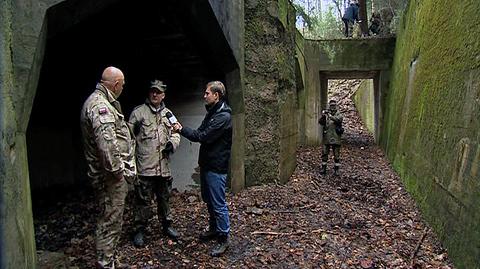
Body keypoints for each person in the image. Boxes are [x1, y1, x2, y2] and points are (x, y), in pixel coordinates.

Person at [80, 66, 136, 269]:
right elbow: (107, 145)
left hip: (110, 177)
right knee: (110, 221)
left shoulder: (103, 102)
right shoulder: (100, 106)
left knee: (113, 219)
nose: (123, 88)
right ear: (116, 84)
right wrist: (119, 173)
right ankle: (105, 263)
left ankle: (109, 258)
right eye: (122, 85)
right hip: (109, 178)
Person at [172, 81, 232, 257]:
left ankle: (223, 237)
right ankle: (214, 229)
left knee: (218, 203)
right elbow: (201, 132)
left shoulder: (223, 117)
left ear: (216, 95)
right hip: (207, 165)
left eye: (207, 93)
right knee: (209, 200)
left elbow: (202, 136)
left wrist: (181, 129)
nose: (204, 96)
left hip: (216, 167)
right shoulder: (213, 112)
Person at [128, 80, 181, 247]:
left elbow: (176, 132)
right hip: (145, 166)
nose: (155, 94)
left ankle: (167, 225)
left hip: (163, 167)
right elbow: (128, 137)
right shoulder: (138, 113)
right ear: (149, 93)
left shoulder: (168, 114)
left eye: (158, 92)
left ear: (163, 95)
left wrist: (173, 143)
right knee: (143, 201)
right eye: (152, 91)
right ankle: (139, 230)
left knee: (164, 199)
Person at [318, 99, 343, 176]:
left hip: (336, 137)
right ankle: (323, 168)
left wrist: (330, 116)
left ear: (336, 106)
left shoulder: (339, 114)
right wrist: (323, 116)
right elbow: (321, 123)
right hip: (327, 137)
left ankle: (336, 170)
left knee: (336, 155)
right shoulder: (327, 115)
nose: (332, 107)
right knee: (324, 153)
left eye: (333, 106)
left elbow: (338, 120)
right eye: (331, 106)